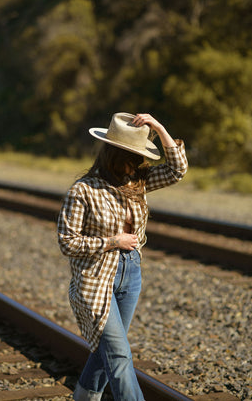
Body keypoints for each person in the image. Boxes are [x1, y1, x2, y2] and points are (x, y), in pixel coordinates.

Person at [57, 112, 188, 401]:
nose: (140, 163)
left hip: (131, 273)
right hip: (96, 278)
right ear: (114, 155)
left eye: (141, 157)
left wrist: (159, 126)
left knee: (108, 350)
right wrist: (111, 241)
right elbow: (67, 242)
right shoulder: (83, 190)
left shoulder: (138, 183)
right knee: (117, 353)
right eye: (133, 156)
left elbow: (177, 170)